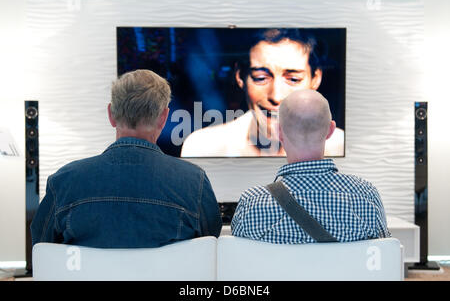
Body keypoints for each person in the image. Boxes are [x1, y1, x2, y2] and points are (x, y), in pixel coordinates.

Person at [31, 69, 222, 248]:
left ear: (111, 115)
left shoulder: (64, 181)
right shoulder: (194, 181)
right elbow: (209, 248)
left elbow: (42, 249)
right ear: (164, 117)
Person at [231, 89, 389, 243]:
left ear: (279, 132)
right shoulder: (365, 196)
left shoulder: (251, 203)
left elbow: (239, 262)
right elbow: (382, 257)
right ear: (331, 130)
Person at [181, 28, 344, 157]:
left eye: (293, 79)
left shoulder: (338, 146)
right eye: (261, 78)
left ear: (315, 78)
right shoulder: (204, 147)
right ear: (240, 76)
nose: (276, 96)